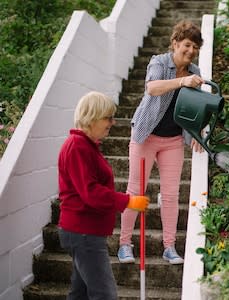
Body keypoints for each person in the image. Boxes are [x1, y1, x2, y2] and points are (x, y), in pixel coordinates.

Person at [117, 20, 205, 265]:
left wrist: (199, 131)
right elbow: (152, 88)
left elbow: (197, 108)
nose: (190, 51)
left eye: (195, 47)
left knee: (170, 195)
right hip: (145, 136)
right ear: (175, 43)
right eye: (187, 45)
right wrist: (181, 81)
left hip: (173, 140)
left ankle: (169, 247)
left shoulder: (195, 72)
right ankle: (124, 244)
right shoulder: (159, 62)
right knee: (135, 191)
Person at [57, 91, 150, 299]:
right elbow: (91, 192)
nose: (112, 122)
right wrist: (128, 201)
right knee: (104, 294)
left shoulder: (85, 146)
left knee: (79, 293)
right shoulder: (78, 147)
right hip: (83, 232)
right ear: (92, 117)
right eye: (108, 117)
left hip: (83, 231)